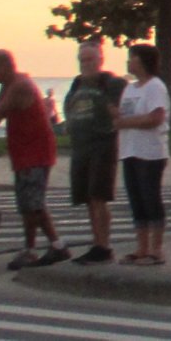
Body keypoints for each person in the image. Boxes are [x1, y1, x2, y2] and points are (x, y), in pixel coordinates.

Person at [0, 49, 68, 268]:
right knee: (32, 204)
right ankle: (56, 246)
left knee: (32, 205)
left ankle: (32, 250)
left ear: (4, 66)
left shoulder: (19, 86)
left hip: (35, 153)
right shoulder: (9, 85)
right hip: (24, 152)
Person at [62, 39, 127, 264]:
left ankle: (103, 246)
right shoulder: (77, 84)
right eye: (82, 60)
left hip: (102, 146)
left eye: (90, 59)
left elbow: (120, 110)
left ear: (100, 60)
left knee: (99, 197)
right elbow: (69, 107)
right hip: (80, 147)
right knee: (88, 198)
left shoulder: (110, 83)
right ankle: (96, 242)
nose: (86, 64)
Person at [113, 43, 170, 265]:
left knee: (150, 198)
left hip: (150, 153)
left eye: (132, 57)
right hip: (129, 150)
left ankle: (156, 250)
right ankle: (141, 247)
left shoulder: (155, 87)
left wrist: (126, 122)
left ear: (143, 61)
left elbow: (155, 117)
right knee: (136, 200)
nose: (128, 61)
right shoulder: (130, 88)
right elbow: (123, 115)